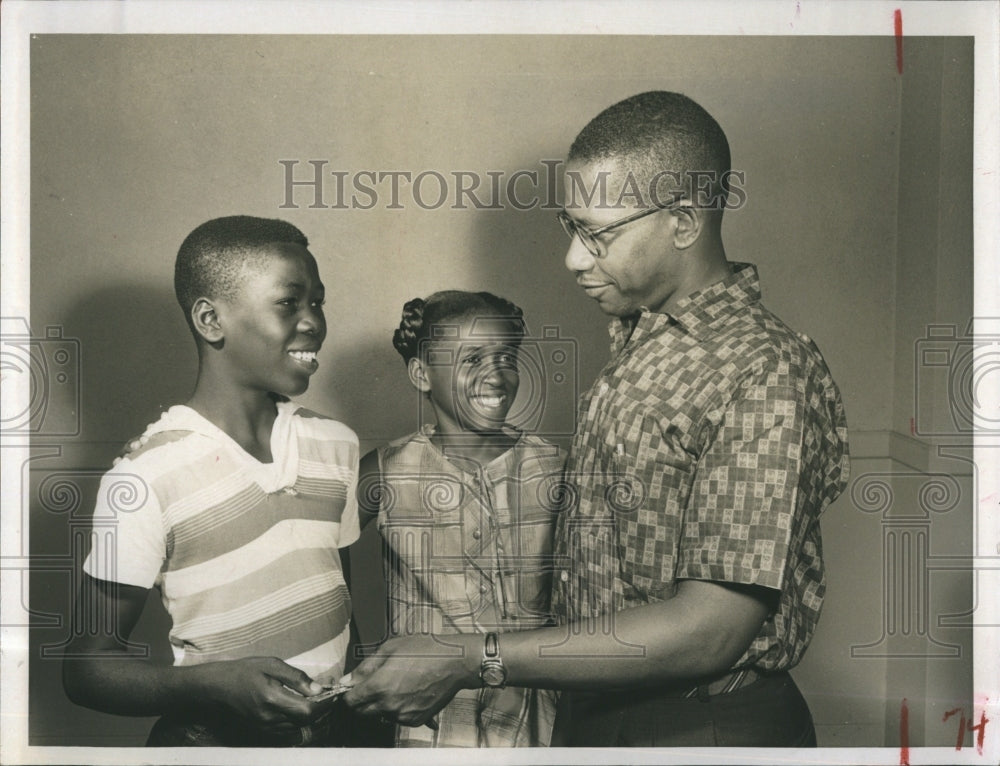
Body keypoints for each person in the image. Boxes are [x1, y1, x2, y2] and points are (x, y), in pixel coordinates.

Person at [343, 91, 850, 748]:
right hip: (599, 715)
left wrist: (470, 657)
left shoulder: (761, 367)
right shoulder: (644, 347)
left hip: (699, 727)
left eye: (598, 233)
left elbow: (710, 630)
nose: (574, 259)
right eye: (569, 226)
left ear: (684, 220)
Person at [62, 215, 365, 747]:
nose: (314, 320)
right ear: (210, 319)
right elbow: (86, 669)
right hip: (213, 746)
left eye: (318, 301)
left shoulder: (336, 443)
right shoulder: (143, 477)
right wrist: (212, 685)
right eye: (289, 302)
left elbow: (339, 607)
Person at [354, 290, 564, 747]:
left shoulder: (556, 468)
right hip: (427, 723)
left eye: (506, 356)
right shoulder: (385, 469)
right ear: (422, 373)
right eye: (472, 359)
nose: (496, 375)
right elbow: (318, 558)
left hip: (537, 718)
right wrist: (357, 665)